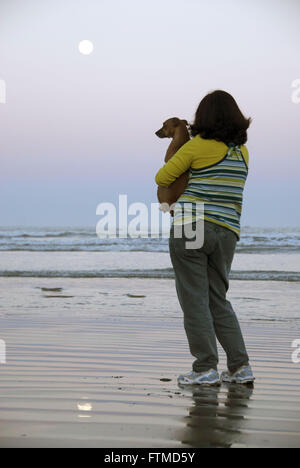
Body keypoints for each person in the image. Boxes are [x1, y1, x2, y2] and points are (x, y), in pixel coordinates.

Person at [155, 90, 255, 385]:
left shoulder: (197, 146)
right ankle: (240, 367)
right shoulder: (242, 152)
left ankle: (205, 369)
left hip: (191, 227)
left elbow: (163, 178)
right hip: (227, 232)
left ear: (203, 117)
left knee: (194, 300)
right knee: (218, 300)